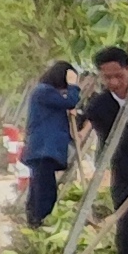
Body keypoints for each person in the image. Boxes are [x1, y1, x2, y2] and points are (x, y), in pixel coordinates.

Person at [79, 46, 128, 254]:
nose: (113, 83)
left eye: (118, 76)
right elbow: (113, 147)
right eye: (107, 77)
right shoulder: (99, 106)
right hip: (126, 169)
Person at [20, 58, 78, 228]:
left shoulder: (45, 92)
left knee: (39, 189)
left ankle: (35, 222)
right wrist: (74, 85)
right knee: (45, 192)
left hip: (43, 150)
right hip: (43, 150)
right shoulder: (44, 92)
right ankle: (40, 223)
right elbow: (71, 101)